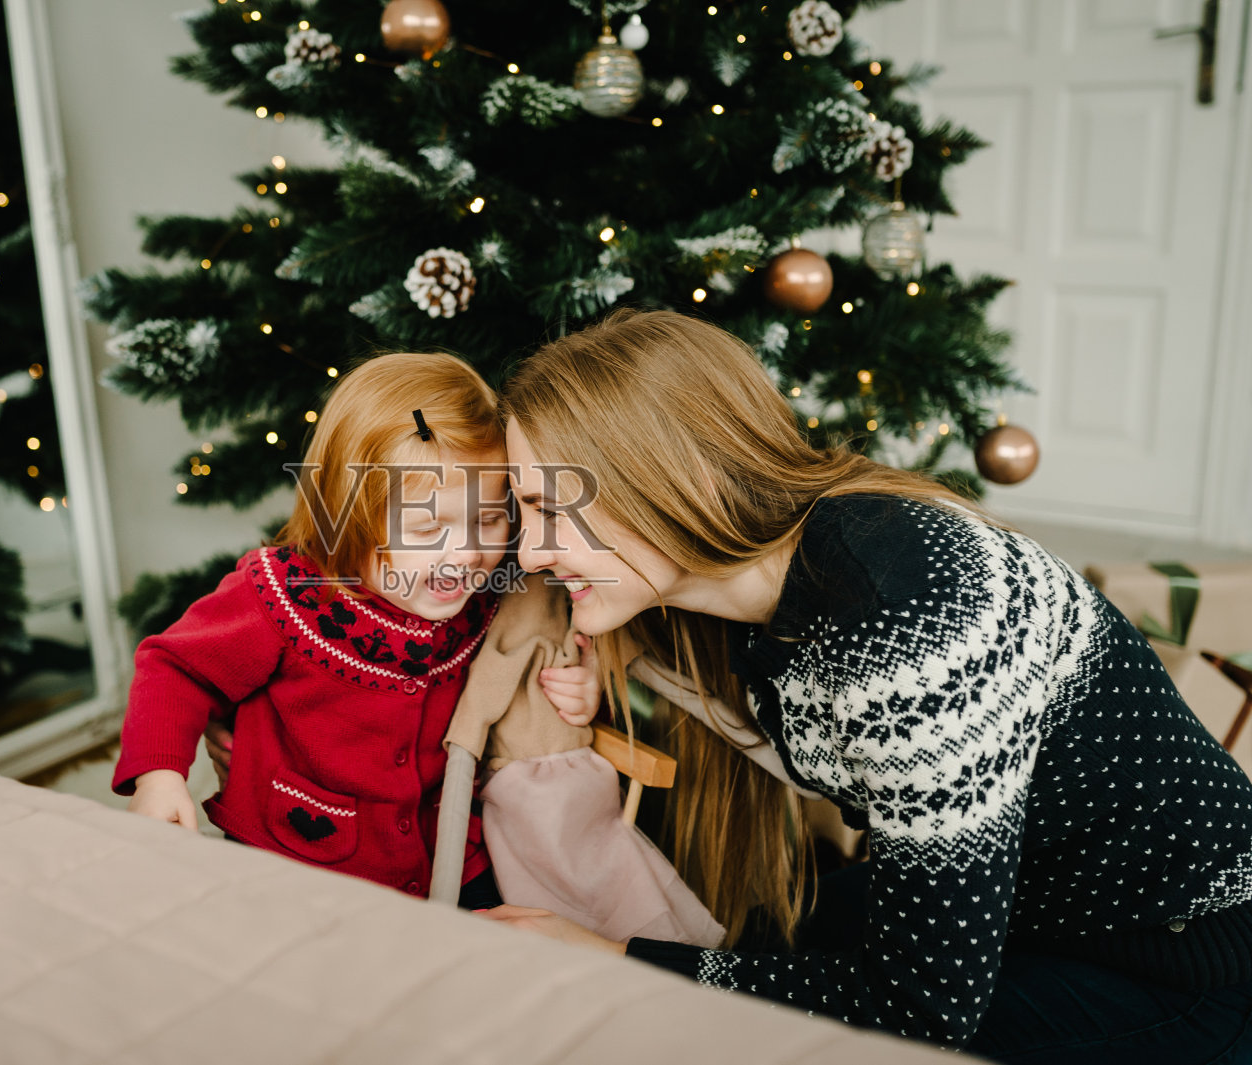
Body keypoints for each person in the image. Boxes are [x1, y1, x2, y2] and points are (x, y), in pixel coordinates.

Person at [483, 307, 1252, 1063]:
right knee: (770, 944)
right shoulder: (767, 581)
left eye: (553, 506)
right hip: (1027, 902)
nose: (536, 551)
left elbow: (919, 1013)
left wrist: (611, 958)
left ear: (667, 477)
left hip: (1177, 960)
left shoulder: (905, 616)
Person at [111, 351, 598, 907]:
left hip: (446, 857)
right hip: (299, 858)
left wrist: (580, 687)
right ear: (349, 514)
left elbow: (533, 654)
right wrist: (158, 775)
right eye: (426, 527)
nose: (465, 553)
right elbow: (175, 667)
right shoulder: (286, 593)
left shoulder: (489, 593)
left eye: (487, 520)